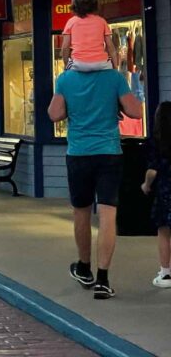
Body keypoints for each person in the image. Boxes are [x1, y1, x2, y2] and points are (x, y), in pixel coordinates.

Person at [48, 63, 143, 299]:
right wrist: (114, 103)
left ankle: (84, 267)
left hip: (79, 153)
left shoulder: (66, 79)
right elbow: (136, 111)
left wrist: (73, 104)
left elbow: (54, 114)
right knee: (108, 214)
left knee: (81, 211)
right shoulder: (114, 78)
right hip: (109, 152)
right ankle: (103, 279)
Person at [141, 101, 171, 288]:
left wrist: (146, 184)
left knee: (164, 233)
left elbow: (153, 170)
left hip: (165, 192)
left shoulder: (157, 142)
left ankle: (166, 273)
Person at [61, 0, 119, 71]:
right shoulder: (102, 21)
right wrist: (115, 68)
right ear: (95, 3)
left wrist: (66, 66)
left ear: (75, 4)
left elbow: (65, 48)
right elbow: (111, 47)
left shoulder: (71, 22)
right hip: (101, 63)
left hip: (78, 64)